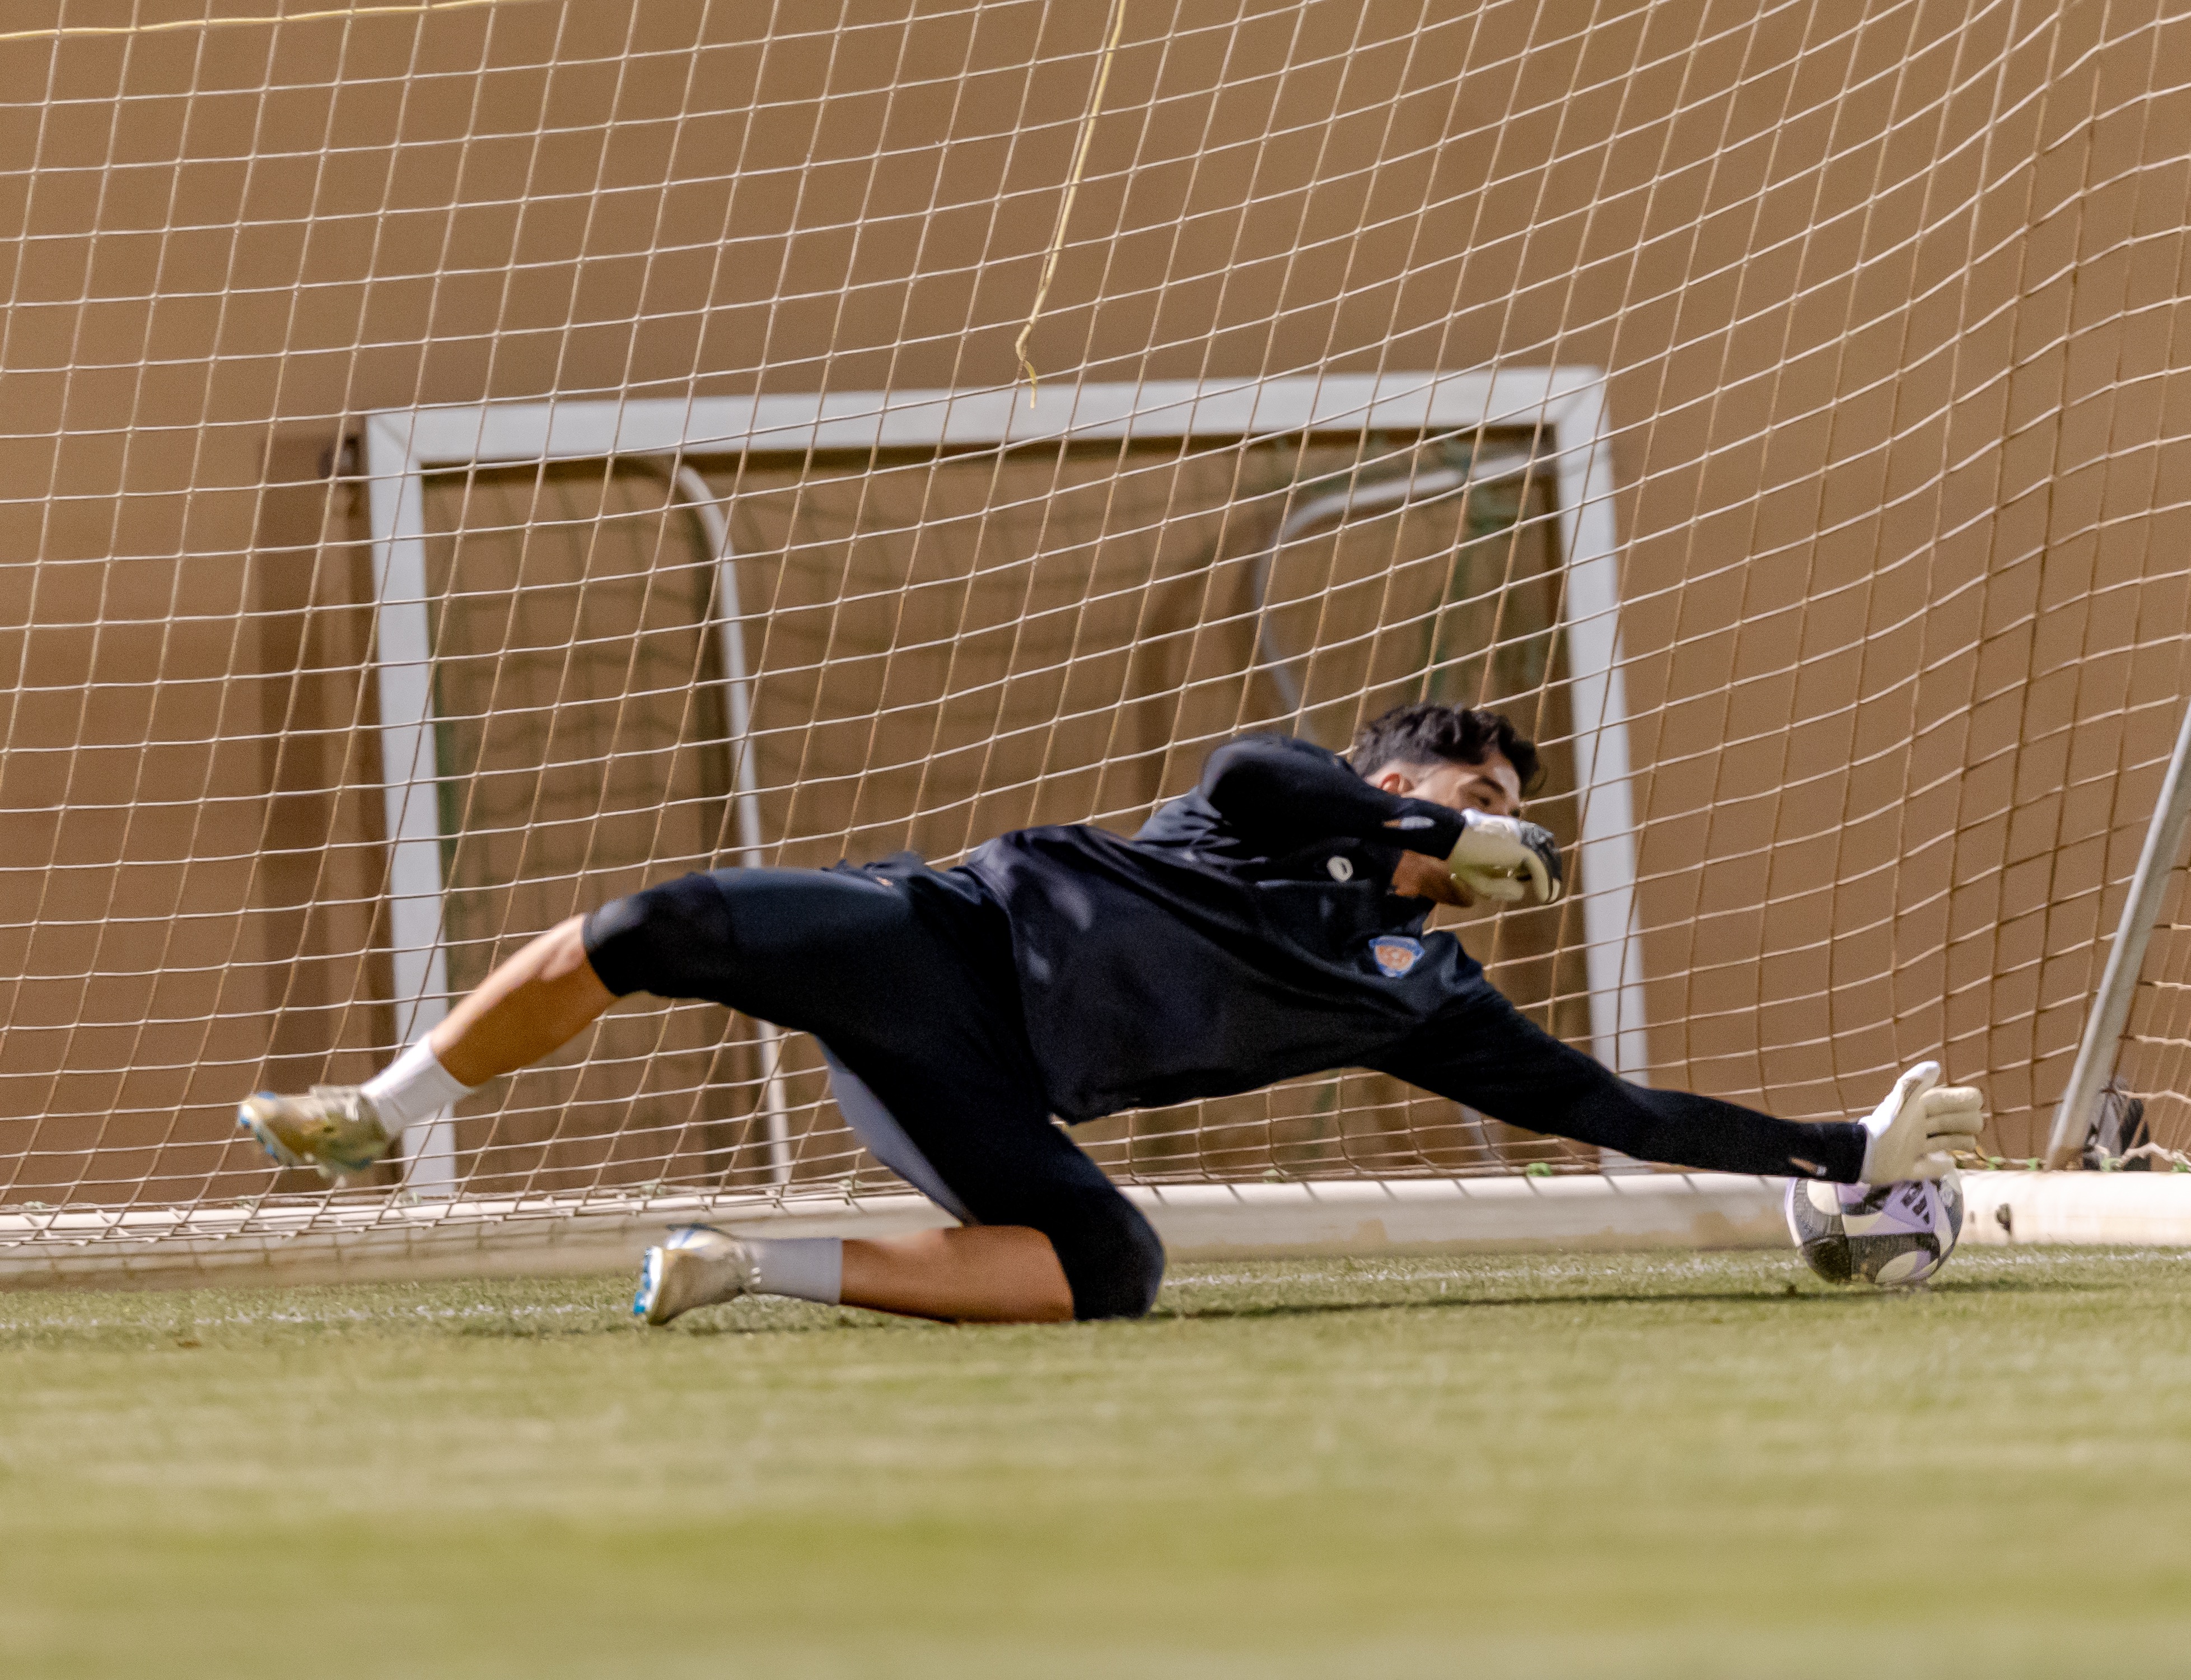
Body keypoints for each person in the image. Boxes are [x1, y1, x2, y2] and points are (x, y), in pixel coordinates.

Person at [239, 702, 1984, 1326]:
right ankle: (374, 1122)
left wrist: (1838, 1147)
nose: (1504, 825)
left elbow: (1611, 1110)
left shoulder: (1429, 999)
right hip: (936, 947)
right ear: (1393, 785)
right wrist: (1439, 831)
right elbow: (1253, 769)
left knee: (1111, 1269)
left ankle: (738, 1264)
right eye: (1474, 793)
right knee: (656, 923)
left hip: (989, 1086)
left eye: (1509, 809)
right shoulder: (1280, 806)